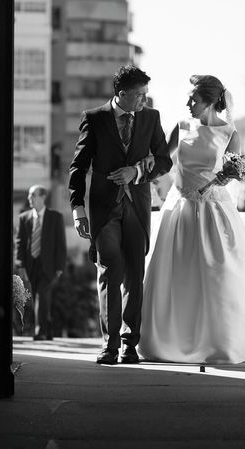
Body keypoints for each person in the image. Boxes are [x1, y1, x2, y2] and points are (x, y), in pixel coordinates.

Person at [138, 74, 245, 364]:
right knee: (179, 275)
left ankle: (222, 340)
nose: (188, 104)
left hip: (214, 212)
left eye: (194, 99)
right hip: (183, 210)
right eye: (188, 98)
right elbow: (162, 162)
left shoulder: (230, 133)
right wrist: (141, 176)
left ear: (211, 102)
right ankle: (173, 339)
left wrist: (227, 176)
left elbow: (235, 171)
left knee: (218, 274)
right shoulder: (182, 126)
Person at [68, 65, 173, 364]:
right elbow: (79, 167)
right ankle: (109, 345)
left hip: (138, 206)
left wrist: (136, 171)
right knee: (110, 271)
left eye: (146, 95)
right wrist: (78, 209)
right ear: (122, 93)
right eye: (139, 96)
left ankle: (130, 345)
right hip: (104, 209)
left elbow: (164, 161)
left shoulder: (151, 117)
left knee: (134, 275)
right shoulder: (94, 118)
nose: (144, 101)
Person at [15, 185, 67, 341]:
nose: (29, 198)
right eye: (29, 196)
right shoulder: (24, 218)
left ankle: (40, 331)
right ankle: (48, 330)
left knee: (42, 294)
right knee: (40, 296)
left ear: (43, 197)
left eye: (33, 195)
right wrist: (20, 265)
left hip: (49, 265)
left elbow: (60, 243)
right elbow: (20, 243)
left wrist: (60, 266)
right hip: (31, 264)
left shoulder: (55, 217)